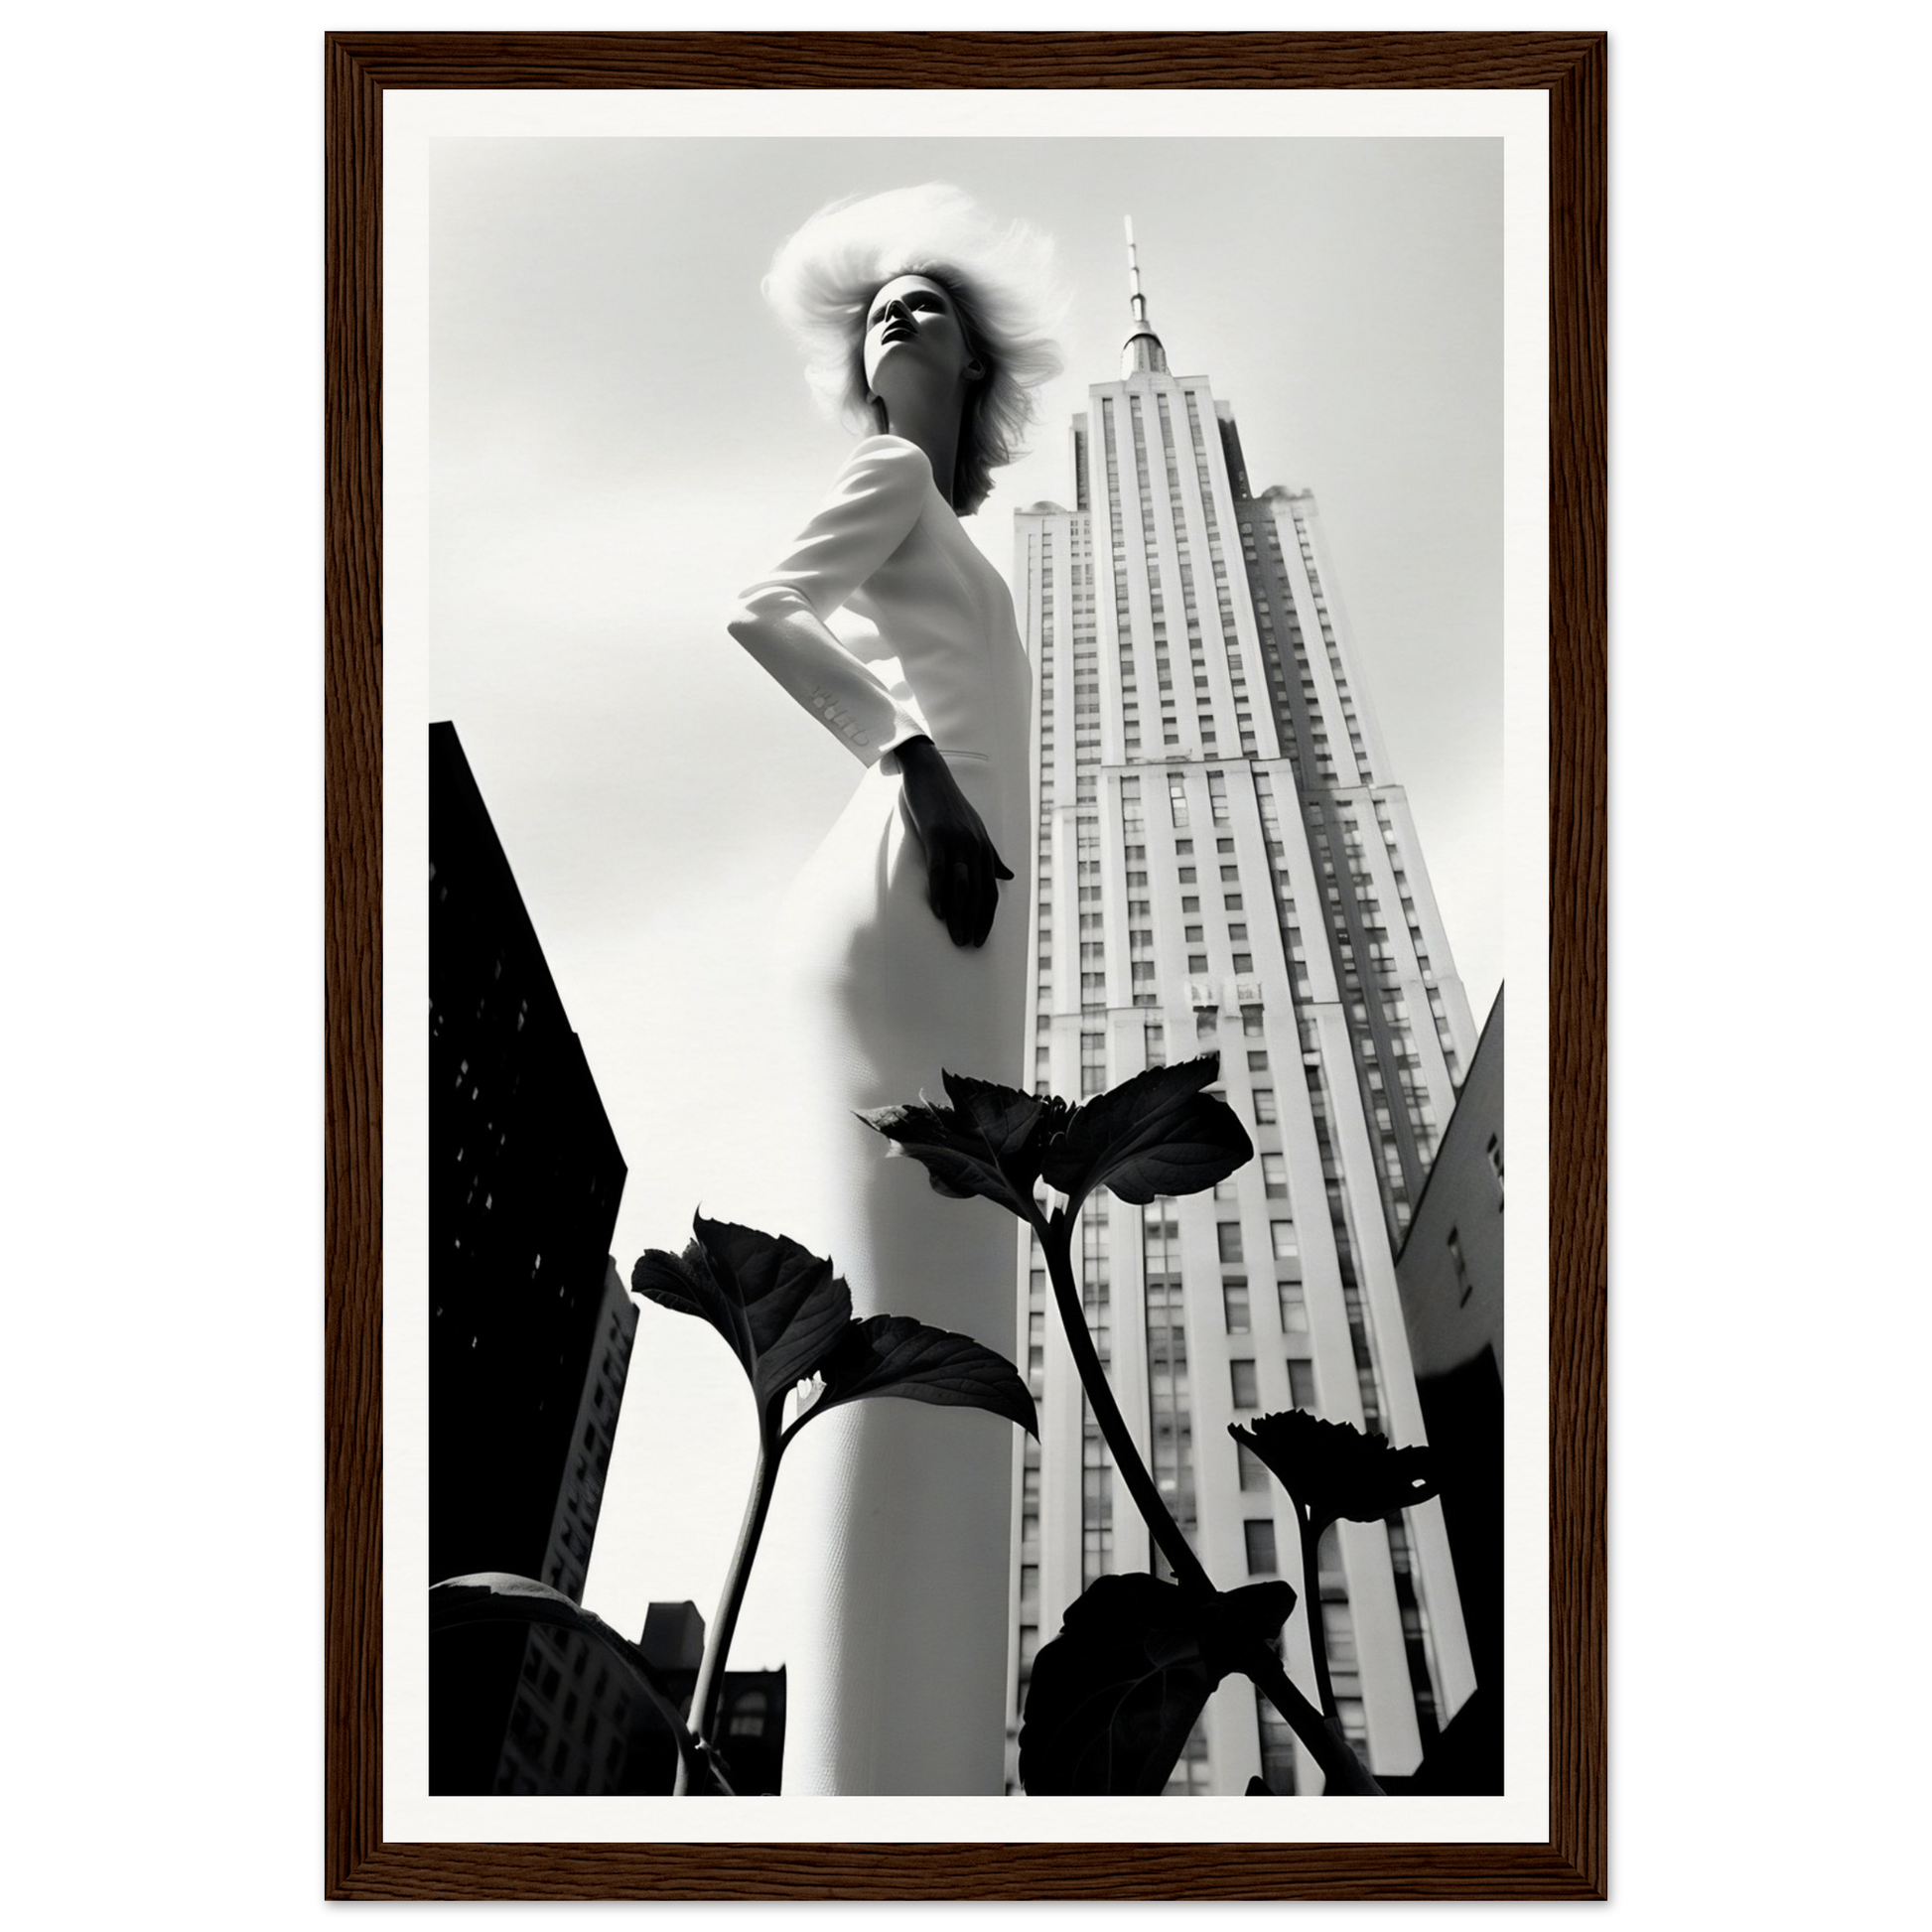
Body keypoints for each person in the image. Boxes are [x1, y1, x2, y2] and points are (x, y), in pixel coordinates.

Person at [726, 186, 1061, 1794]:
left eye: (929, 304)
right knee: (908, 1311)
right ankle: (866, 1799)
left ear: (974, 363)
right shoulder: (877, 478)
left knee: (949, 1312)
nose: (897, 316)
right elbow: (760, 608)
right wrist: (916, 772)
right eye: (879, 309)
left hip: (967, 906)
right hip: (913, 882)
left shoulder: (953, 526)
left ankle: (921, 1776)